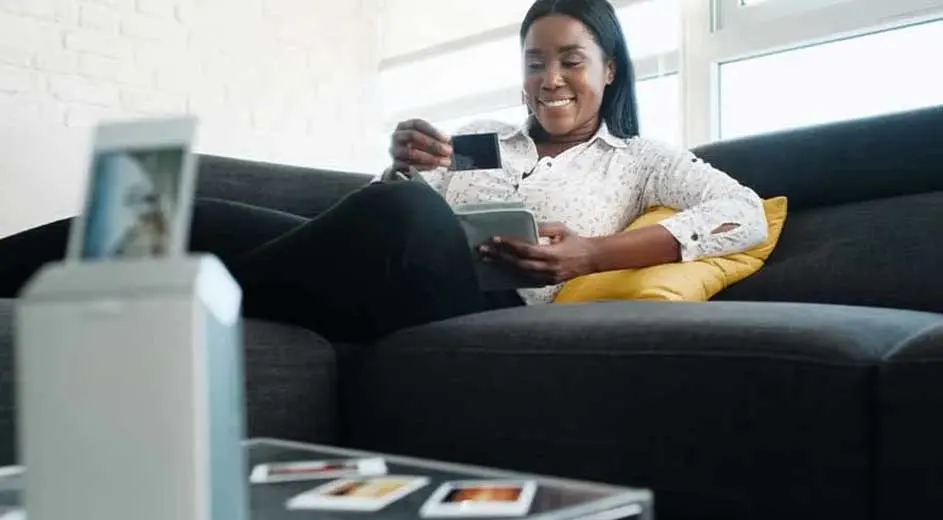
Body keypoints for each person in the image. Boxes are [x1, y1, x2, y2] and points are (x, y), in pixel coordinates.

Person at [0, 0, 767, 343]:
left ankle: (178, 290)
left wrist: (592, 255)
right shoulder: (481, 140)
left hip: (476, 307)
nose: (550, 78)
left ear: (607, 70)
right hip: (374, 275)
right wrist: (400, 170)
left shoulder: (640, 161)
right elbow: (372, 222)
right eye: (535, 62)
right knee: (189, 211)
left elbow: (743, 214)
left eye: (571, 60)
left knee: (405, 218)